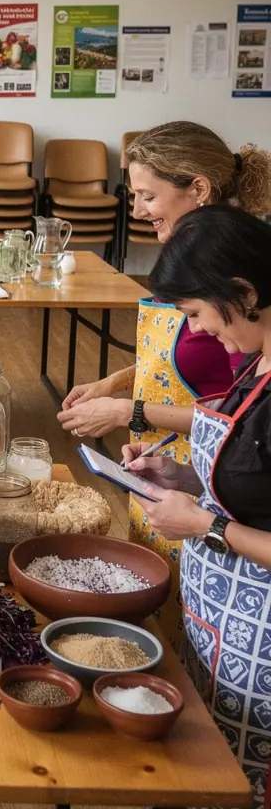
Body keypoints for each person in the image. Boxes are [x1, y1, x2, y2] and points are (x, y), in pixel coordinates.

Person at [58, 121, 271, 646]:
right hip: (205, 500)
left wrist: (132, 412)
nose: (138, 209)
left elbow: (238, 425)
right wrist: (117, 386)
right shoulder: (219, 293)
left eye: (148, 195)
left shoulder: (239, 312)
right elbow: (181, 368)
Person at [123, 206, 271, 809]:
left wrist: (206, 524)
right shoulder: (256, 361)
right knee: (214, 775)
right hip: (222, 632)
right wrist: (181, 473)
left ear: (243, 293)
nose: (201, 332)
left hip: (260, 653)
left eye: (198, 315)